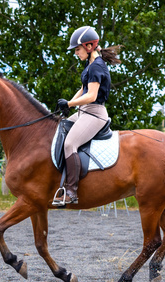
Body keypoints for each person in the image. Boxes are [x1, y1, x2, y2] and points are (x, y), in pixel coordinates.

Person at [53, 26, 121, 206]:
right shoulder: (89, 64)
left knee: (70, 143)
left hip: (95, 114)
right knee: (60, 127)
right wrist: (69, 103)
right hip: (84, 111)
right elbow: (83, 88)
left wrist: (69, 104)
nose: (76, 53)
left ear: (89, 46)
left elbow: (91, 96)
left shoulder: (97, 66)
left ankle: (71, 191)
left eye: (77, 49)